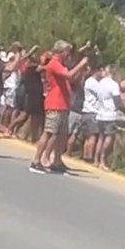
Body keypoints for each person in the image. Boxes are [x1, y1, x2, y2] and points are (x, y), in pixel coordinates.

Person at [29, 40, 89, 174]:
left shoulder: (61, 65)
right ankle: (36, 160)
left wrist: (81, 69)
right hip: (54, 103)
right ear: (61, 51)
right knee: (49, 132)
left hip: (63, 103)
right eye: (67, 51)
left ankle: (56, 161)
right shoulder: (54, 63)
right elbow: (68, 75)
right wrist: (81, 64)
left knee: (61, 134)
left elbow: (71, 78)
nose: (68, 54)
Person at [94, 65, 125, 171]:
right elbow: (117, 101)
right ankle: (102, 160)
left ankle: (96, 160)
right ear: (113, 72)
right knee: (109, 137)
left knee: (101, 137)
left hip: (100, 113)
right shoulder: (113, 85)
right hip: (110, 114)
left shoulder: (100, 83)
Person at [9, 54, 45, 143]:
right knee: (25, 115)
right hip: (32, 95)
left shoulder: (31, 69)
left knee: (36, 117)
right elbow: (42, 67)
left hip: (36, 95)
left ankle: (34, 137)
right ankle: (10, 128)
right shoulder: (32, 69)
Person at [81, 65, 105, 162]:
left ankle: (85, 154)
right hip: (92, 111)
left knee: (88, 136)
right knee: (92, 136)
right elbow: (102, 93)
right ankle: (89, 156)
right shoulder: (93, 82)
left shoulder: (89, 82)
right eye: (101, 71)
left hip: (86, 111)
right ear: (97, 71)